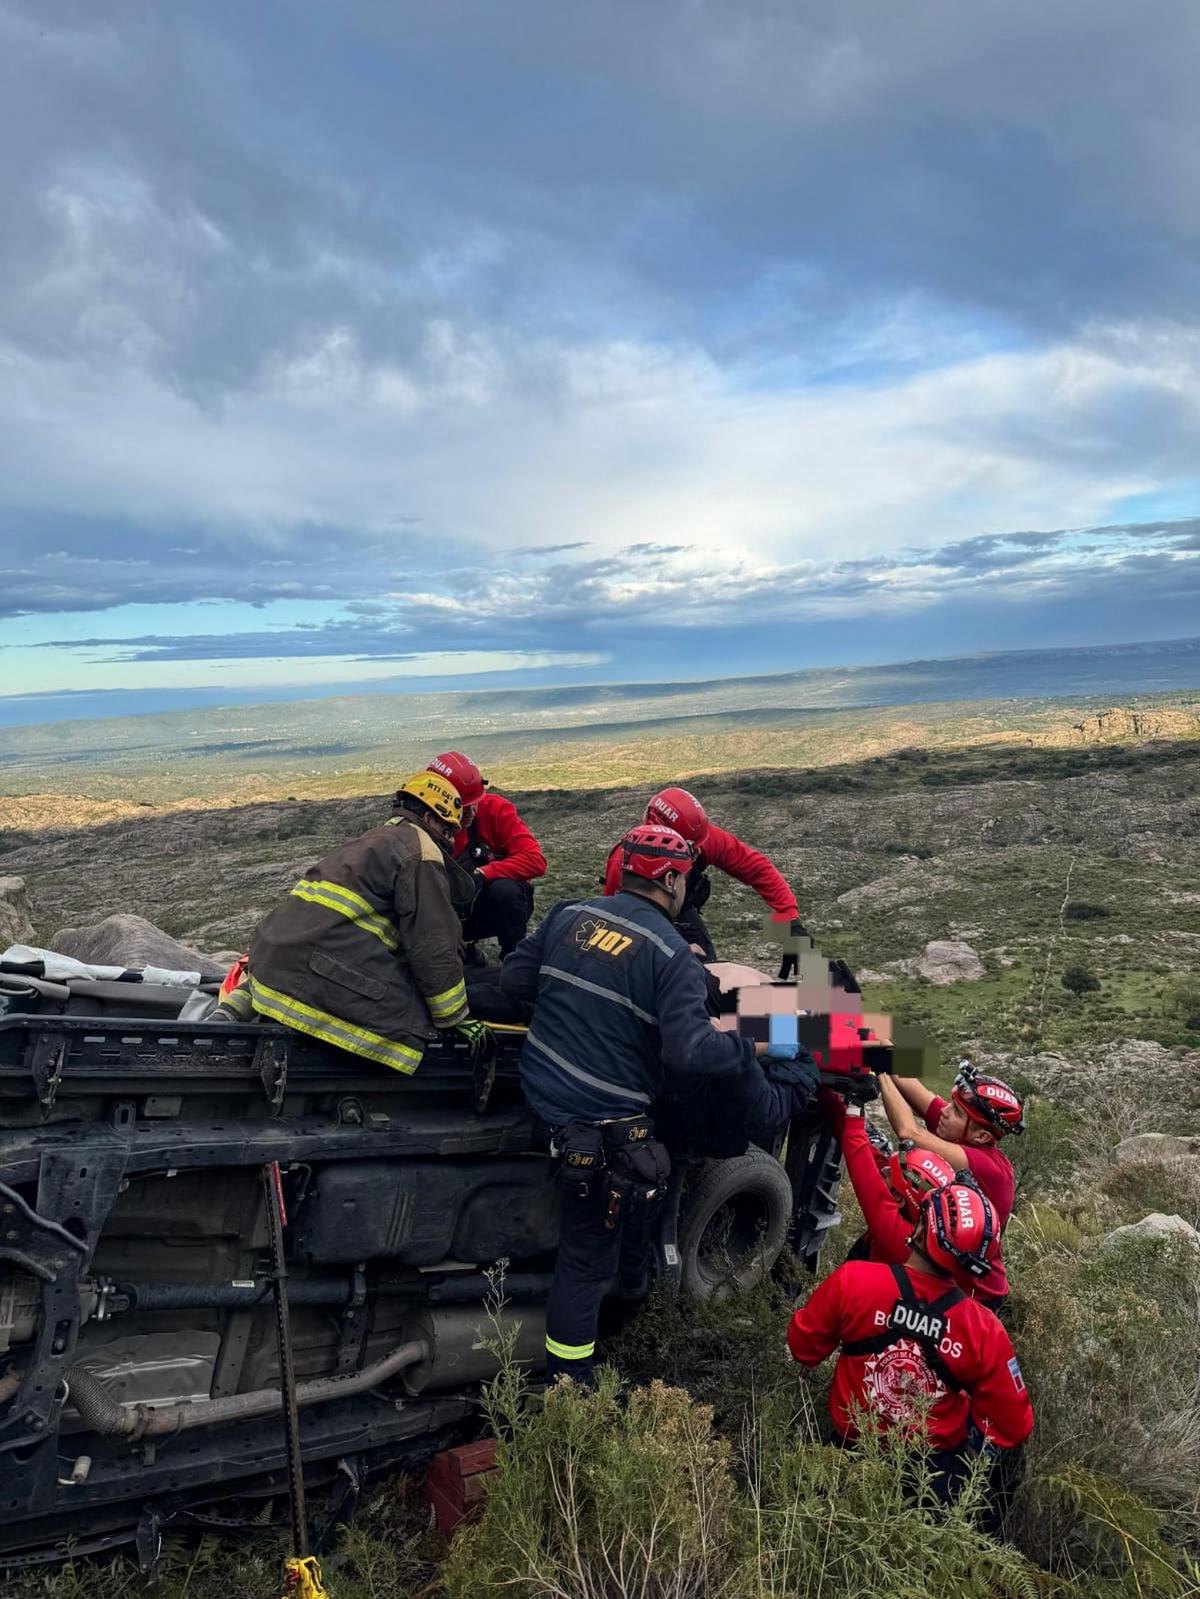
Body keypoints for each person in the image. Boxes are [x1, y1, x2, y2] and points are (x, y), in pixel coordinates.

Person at [501, 822, 819, 1386]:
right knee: (586, 1261)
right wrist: (756, 1044)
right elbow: (692, 1052)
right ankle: (570, 1387)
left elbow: (515, 980)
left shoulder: (567, 915)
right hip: (601, 1118)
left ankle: (631, 1300)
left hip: (540, 1090)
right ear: (671, 879)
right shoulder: (671, 955)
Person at [788, 1182, 1033, 1532]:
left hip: (842, 1463)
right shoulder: (985, 1331)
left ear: (921, 1227)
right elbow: (1012, 1425)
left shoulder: (854, 1281)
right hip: (931, 1487)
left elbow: (803, 1347)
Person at [246, 772, 483, 1072]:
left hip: (273, 969)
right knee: (409, 1016)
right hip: (316, 977)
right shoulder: (421, 851)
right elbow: (432, 944)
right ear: (428, 817)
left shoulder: (375, 839)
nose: (451, 839)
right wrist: (455, 1017)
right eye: (448, 829)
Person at [878, 1063, 1024, 1309]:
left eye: (955, 1110)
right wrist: (877, 1044)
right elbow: (914, 1089)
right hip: (948, 1274)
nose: (944, 1111)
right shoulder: (961, 1129)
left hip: (975, 1295)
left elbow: (909, 1133)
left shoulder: (989, 1167)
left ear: (982, 1137)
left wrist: (878, 1072)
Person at [602, 787, 799, 959]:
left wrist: (790, 919)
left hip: (681, 908)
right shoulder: (622, 860)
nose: (696, 853)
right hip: (638, 917)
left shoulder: (701, 839)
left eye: (697, 847)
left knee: (707, 965)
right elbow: (618, 920)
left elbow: (757, 868)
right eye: (689, 849)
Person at [426, 751, 546, 960]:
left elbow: (536, 861)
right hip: (440, 916)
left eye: (475, 802)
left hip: (485, 910)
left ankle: (514, 961)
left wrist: (483, 873)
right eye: (462, 807)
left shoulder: (495, 810)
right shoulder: (422, 826)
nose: (471, 813)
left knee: (506, 891)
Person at [824, 1092, 958, 1266]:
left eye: (889, 1172)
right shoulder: (916, 1217)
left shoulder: (902, 1239)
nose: (884, 1168)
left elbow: (863, 1169)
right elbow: (868, 1155)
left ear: (898, 1198)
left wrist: (856, 1106)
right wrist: (831, 1100)